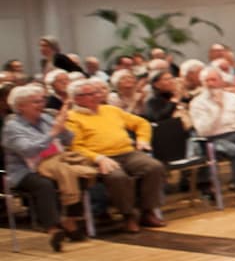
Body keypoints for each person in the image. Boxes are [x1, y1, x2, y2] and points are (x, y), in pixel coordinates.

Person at [64, 79, 166, 233]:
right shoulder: (72, 117)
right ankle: (128, 215)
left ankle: (148, 211)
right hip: (100, 157)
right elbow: (75, 147)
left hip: (127, 152)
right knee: (118, 177)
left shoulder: (110, 110)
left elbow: (141, 123)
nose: (96, 96)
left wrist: (142, 140)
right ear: (77, 98)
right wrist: (98, 158)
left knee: (154, 167)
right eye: (90, 94)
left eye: (96, 92)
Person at [3, 84, 92, 251]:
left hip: (53, 163)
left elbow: (68, 141)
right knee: (44, 185)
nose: (41, 104)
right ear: (21, 106)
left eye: (41, 100)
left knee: (78, 174)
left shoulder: (46, 118)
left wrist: (63, 129)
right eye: (35, 102)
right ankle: (53, 229)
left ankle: (70, 220)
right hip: (26, 170)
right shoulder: (12, 127)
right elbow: (28, 150)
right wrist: (52, 134)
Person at [188, 66, 235, 209]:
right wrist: (218, 111)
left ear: (221, 81)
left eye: (214, 79)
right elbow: (203, 130)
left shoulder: (234, 98)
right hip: (212, 140)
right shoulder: (197, 103)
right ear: (202, 83)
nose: (211, 83)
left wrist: (230, 124)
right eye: (207, 80)